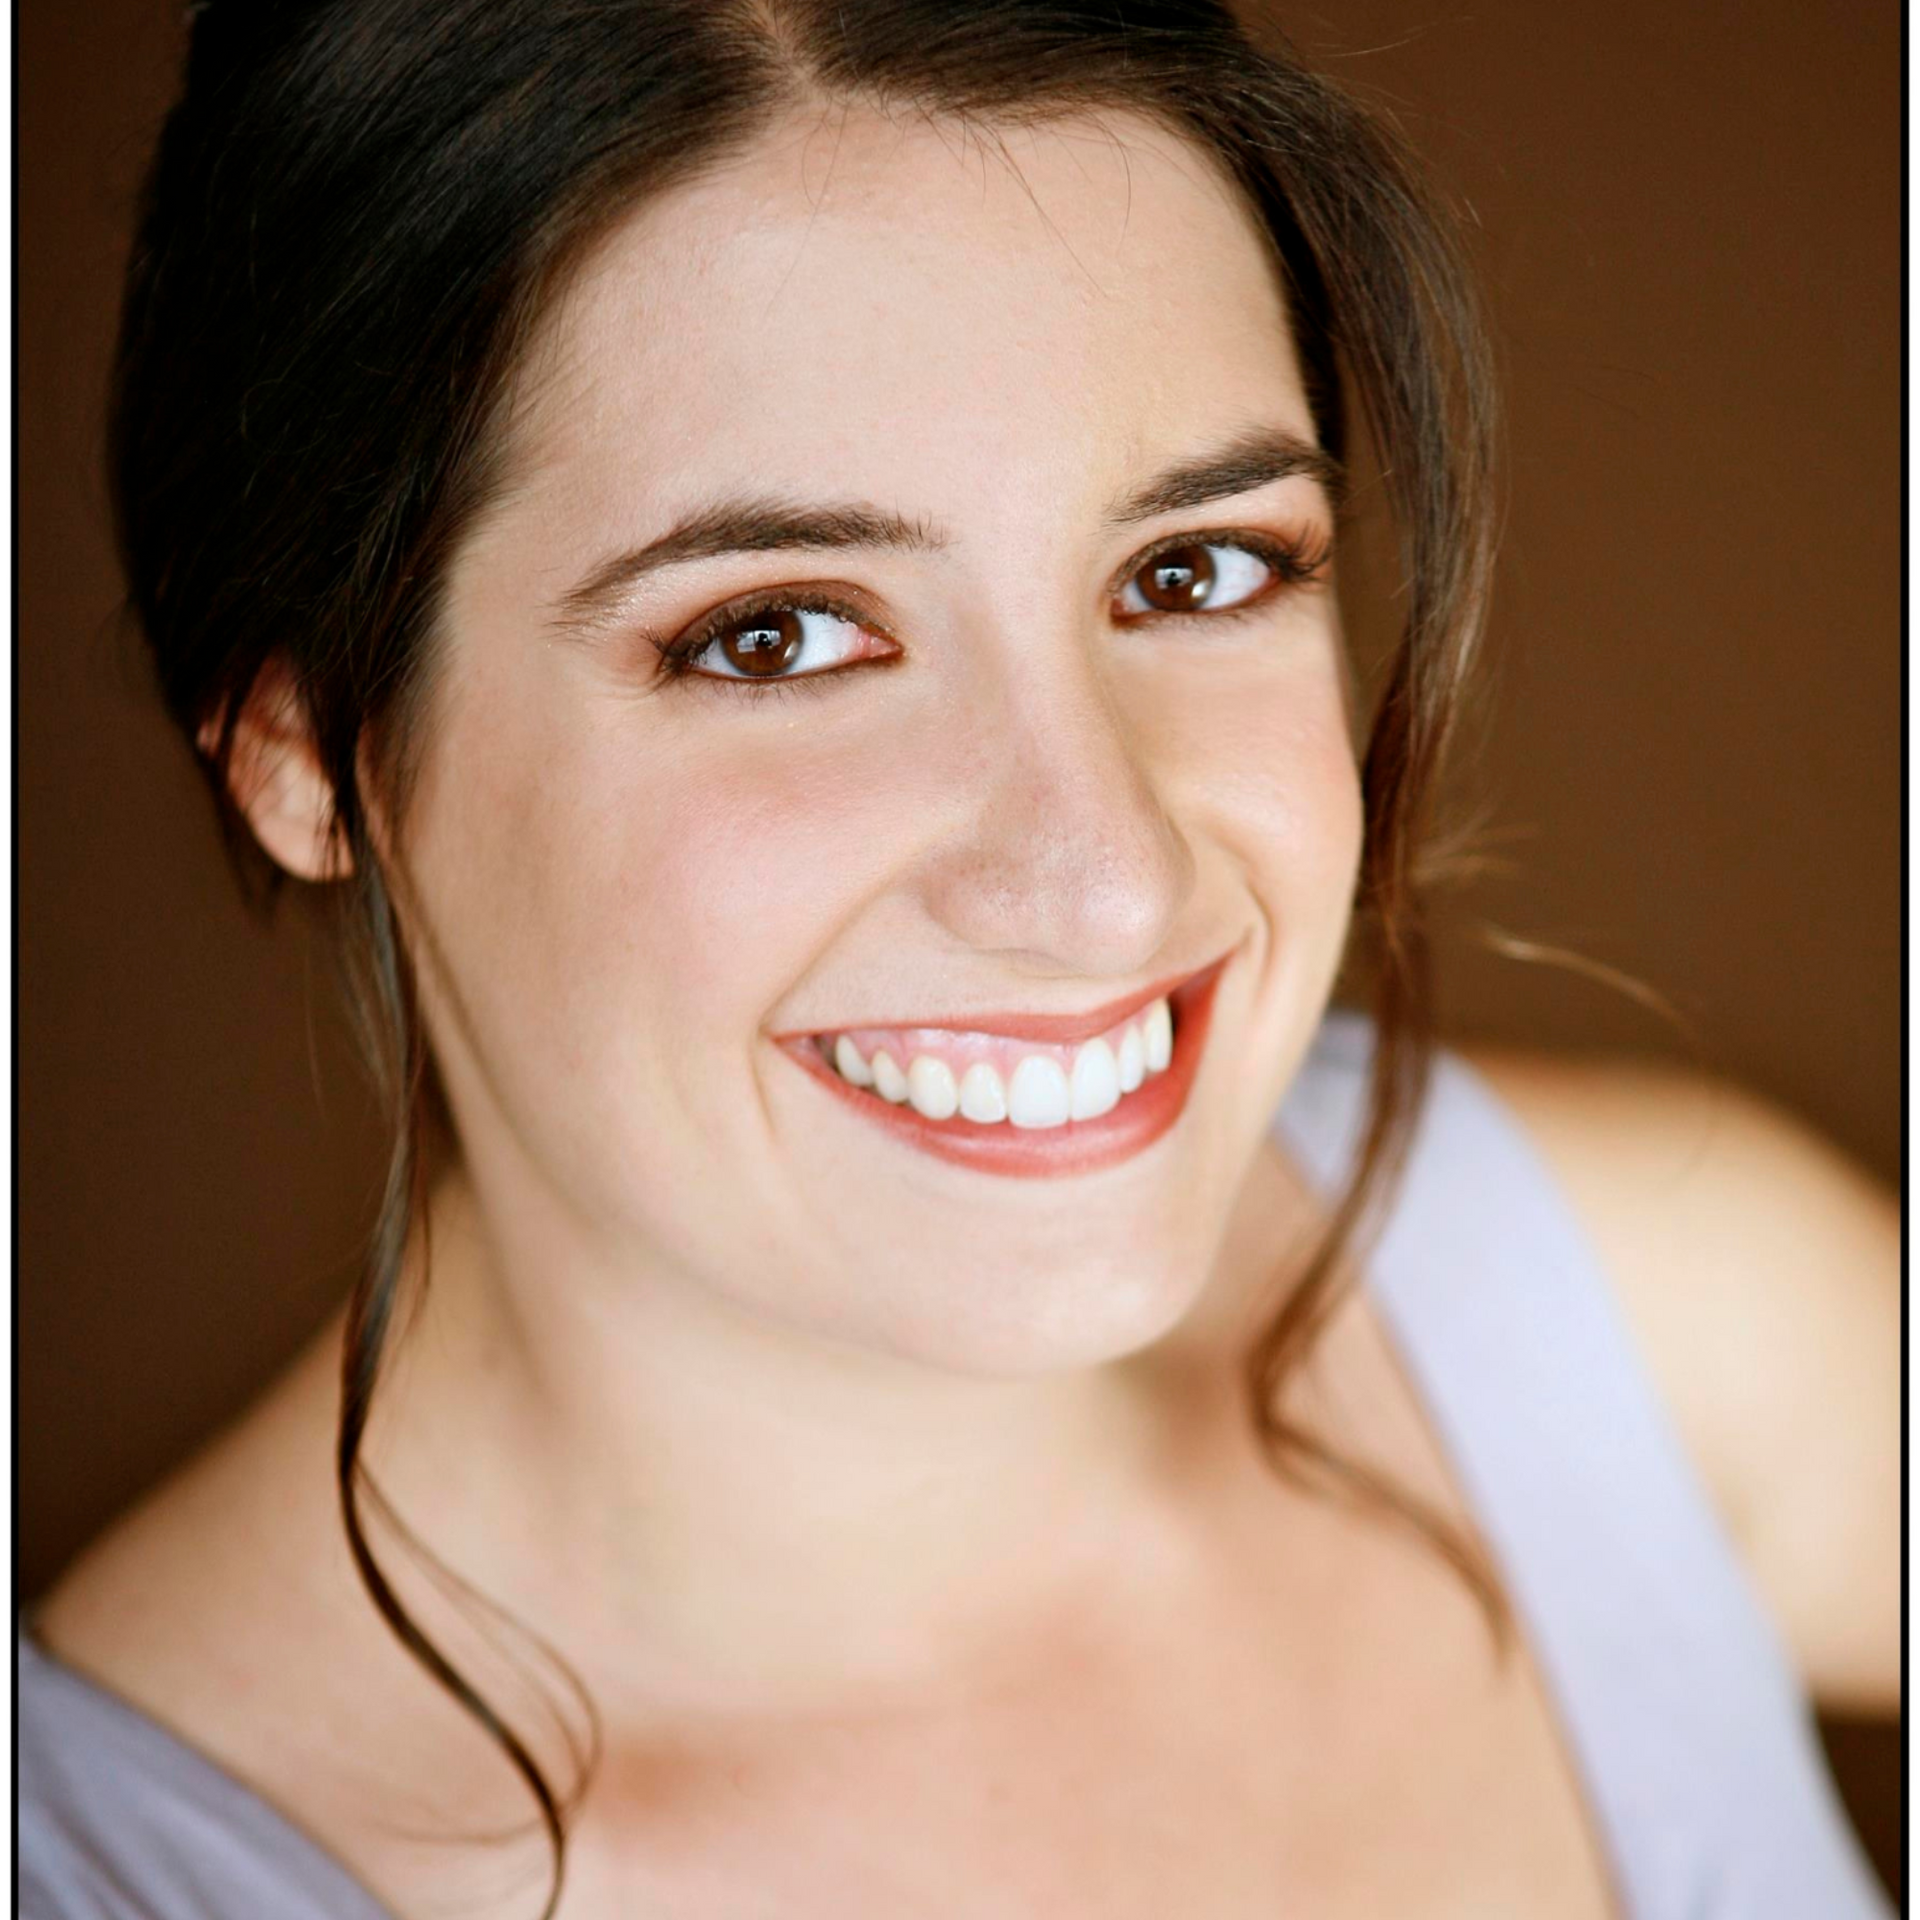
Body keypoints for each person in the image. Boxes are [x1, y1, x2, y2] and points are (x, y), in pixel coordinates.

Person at [19, 3, 1898, 1916]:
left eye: (1197, 570)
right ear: (309, 753)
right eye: (776, 636)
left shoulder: (1645, 1312)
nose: (1105, 882)